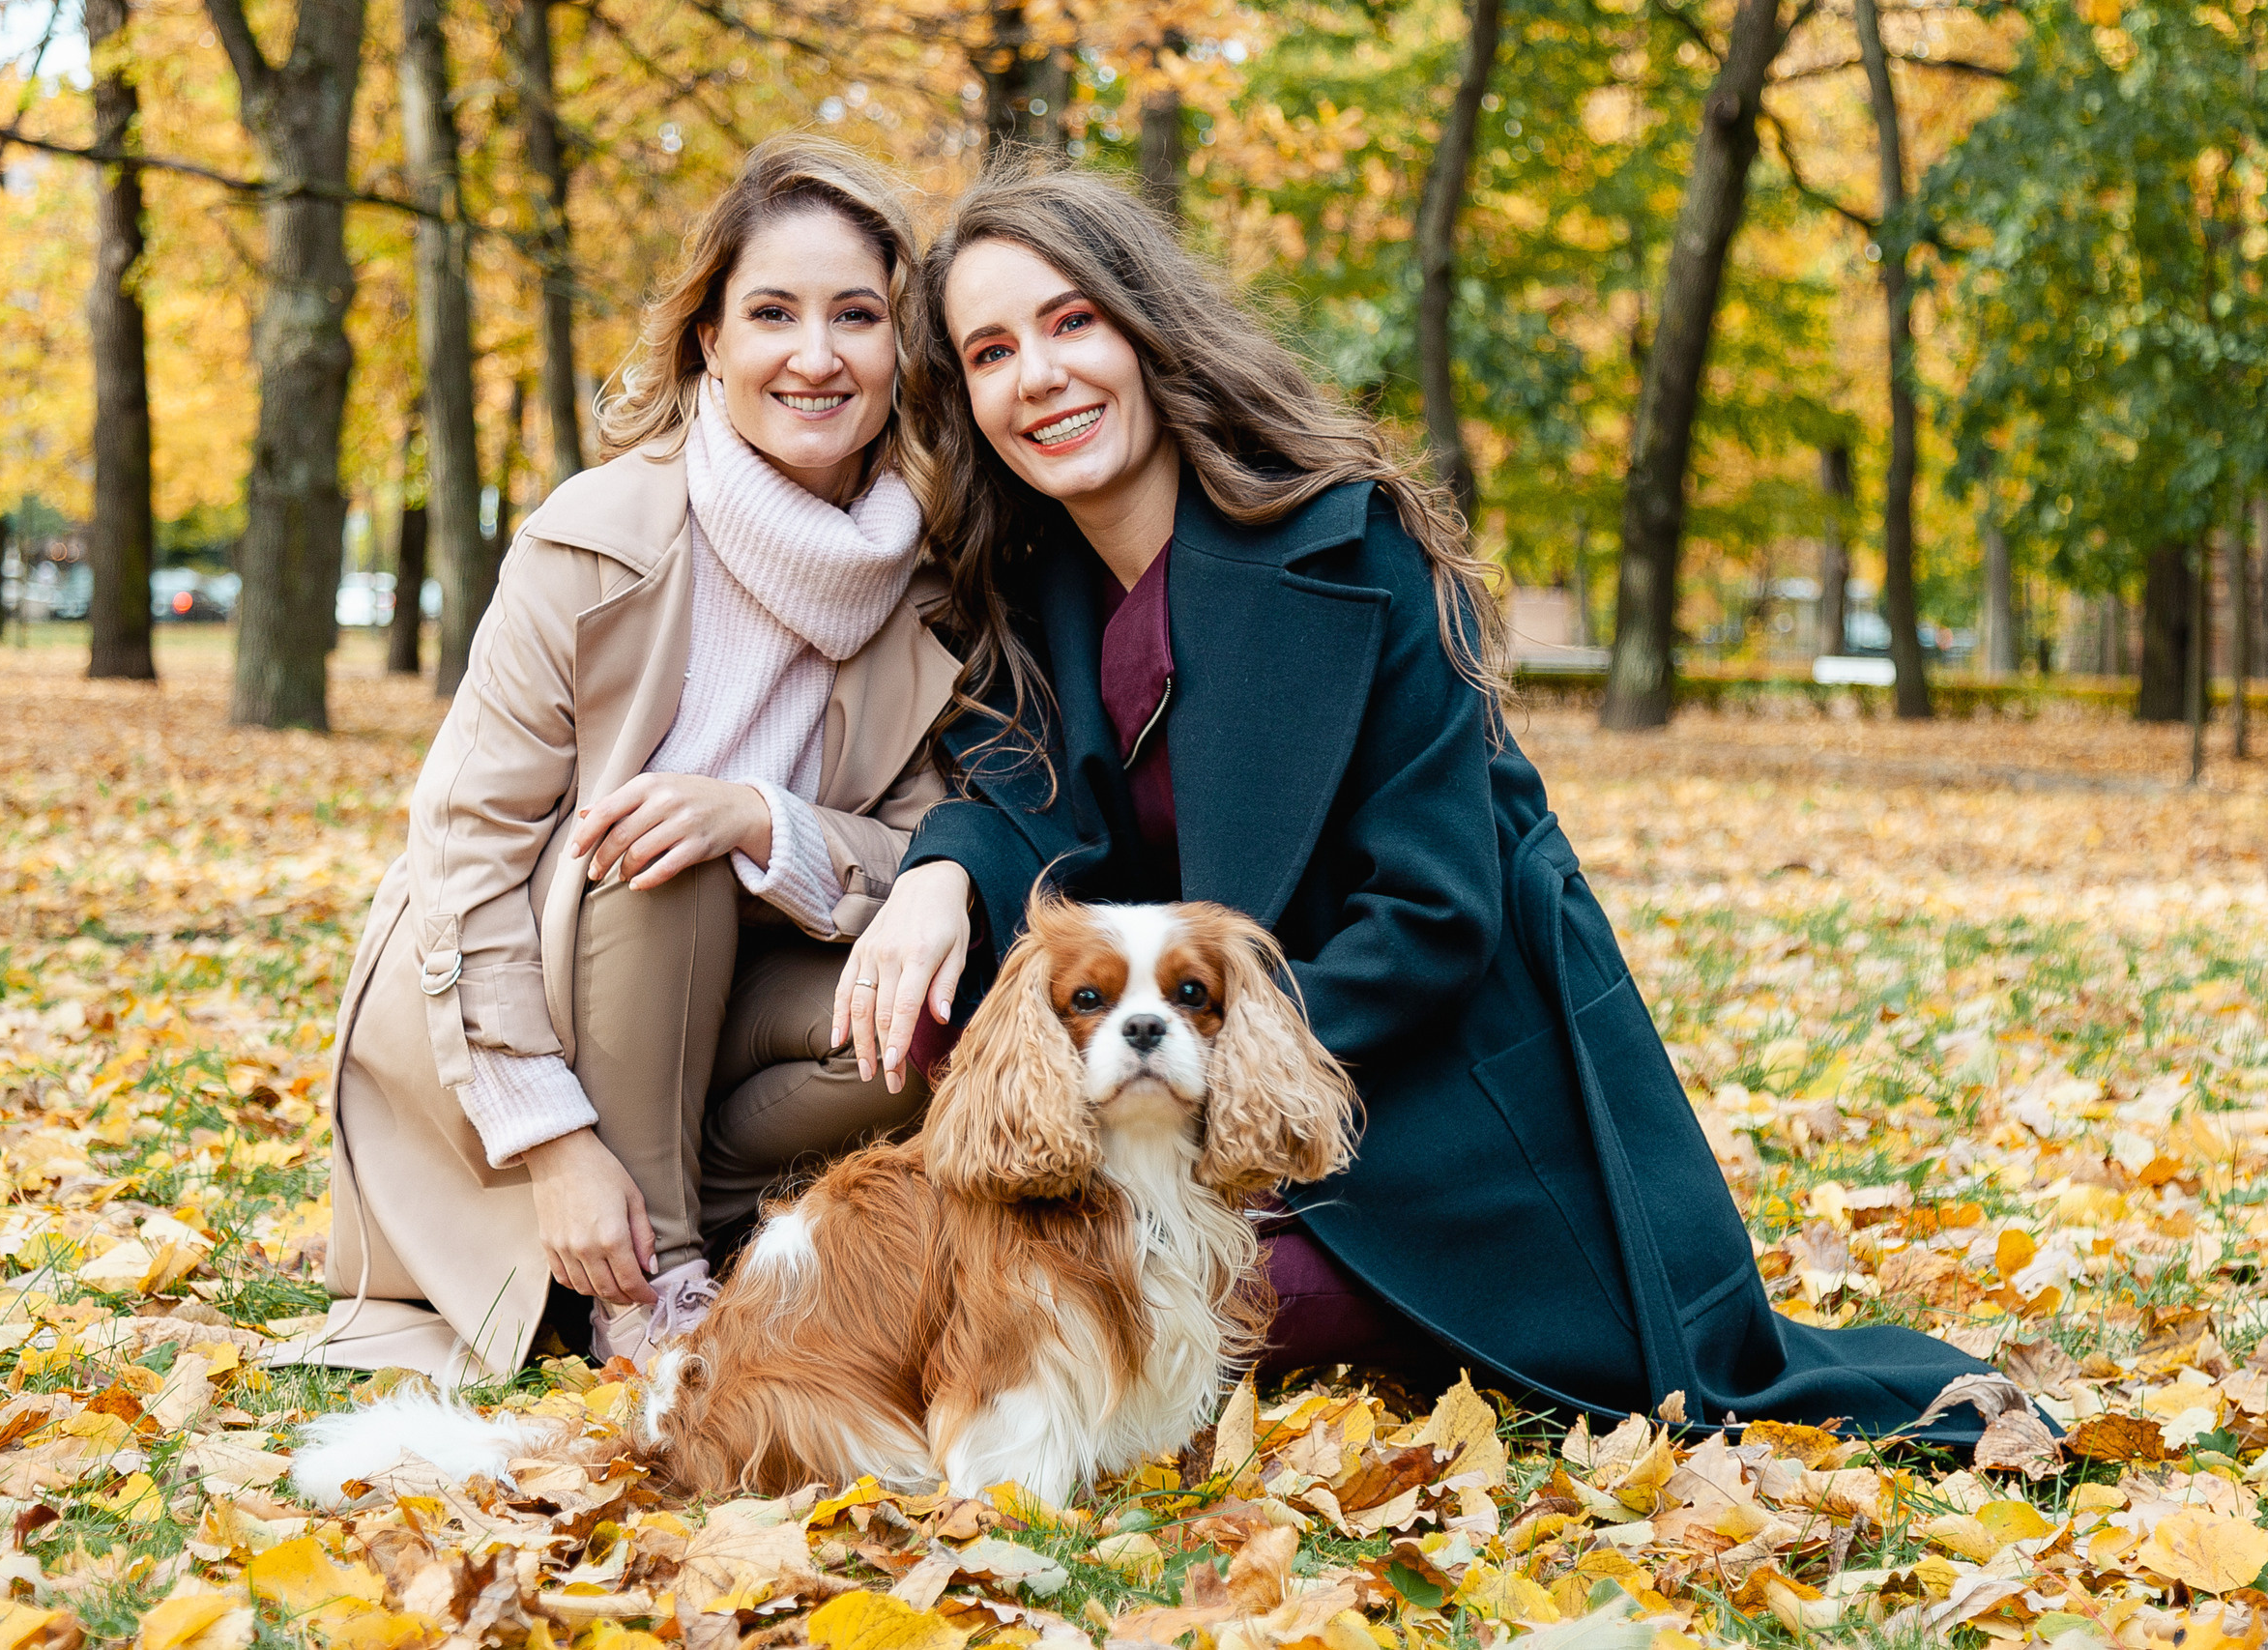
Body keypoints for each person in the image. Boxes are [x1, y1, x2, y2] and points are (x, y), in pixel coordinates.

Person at [838, 166, 1989, 1439]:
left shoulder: (1352, 544)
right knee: (977, 1065)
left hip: (1421, 1098)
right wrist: (938, 877)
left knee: (1173, 1300)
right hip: (1176, 1074)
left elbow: (1436, 909)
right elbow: (1023, 799)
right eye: (991, 351)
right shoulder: (1035, 582)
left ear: (1145, 323)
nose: (1037, 376)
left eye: (1071, 323)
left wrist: (1223, 1064)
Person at [281, 136, 958, 1385]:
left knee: (927, 1015)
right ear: (709, 338)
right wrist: (556, 1144)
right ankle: (649, 1287)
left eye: (855, 315)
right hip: (539, 998)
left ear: (900, 346)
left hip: (747, 1011)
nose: (816, 354)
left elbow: (927, 839)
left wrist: (760, 815)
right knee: (655, 846)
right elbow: (465, 849)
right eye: (773, 312)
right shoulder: (595, 539)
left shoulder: (927, 577)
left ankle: (671, 1228)